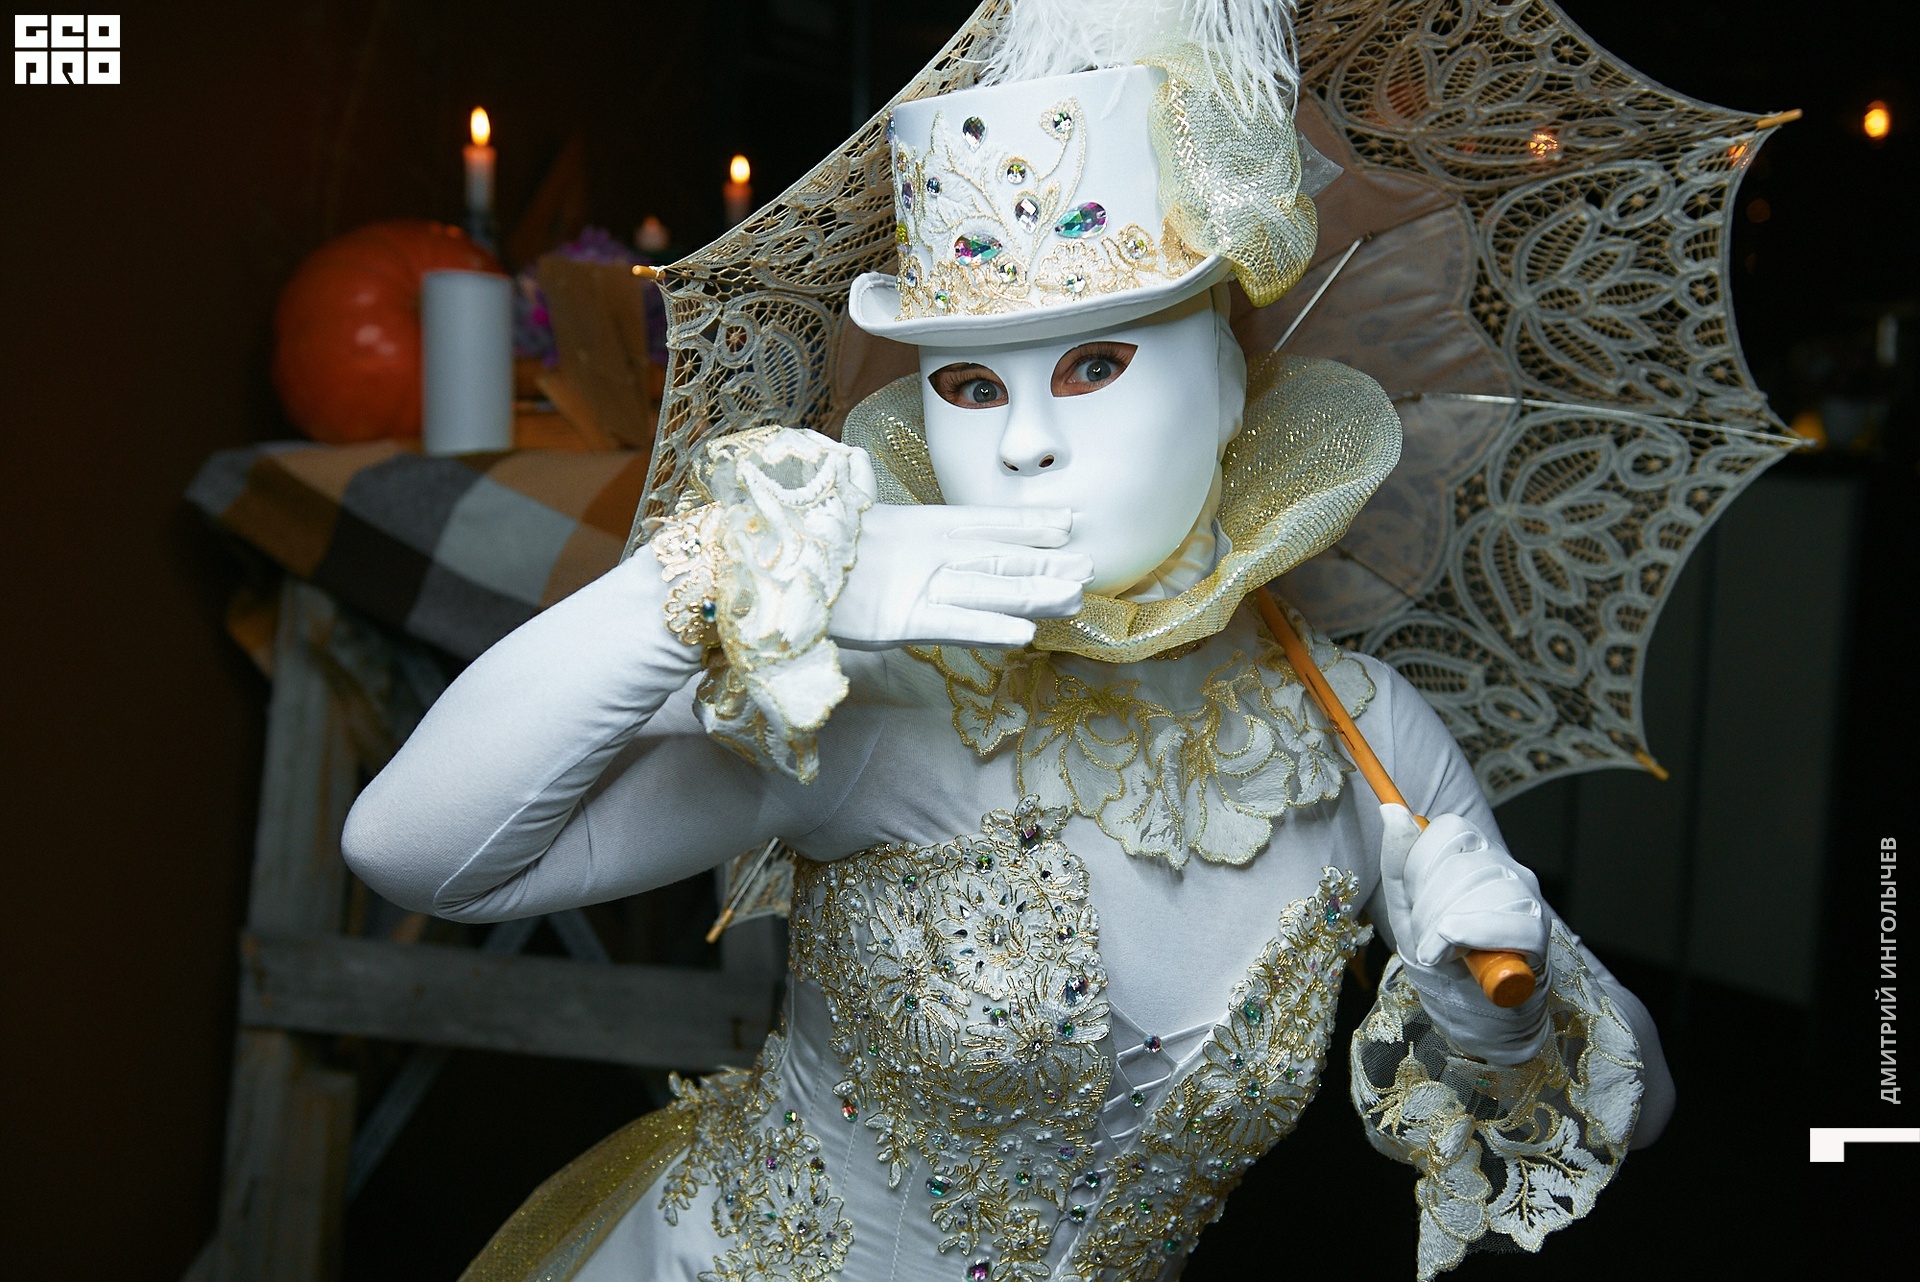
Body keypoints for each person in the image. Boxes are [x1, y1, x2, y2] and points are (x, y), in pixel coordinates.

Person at [343, 6, 1674, 1280]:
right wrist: (724, 577)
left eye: (1096, 365)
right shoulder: (872, 691)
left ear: (1232, 388)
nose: (1028, 442)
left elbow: (1640, 1106)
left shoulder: (1358, 733)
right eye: (974, 385)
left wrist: (1501, 1021)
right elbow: (412, 851)